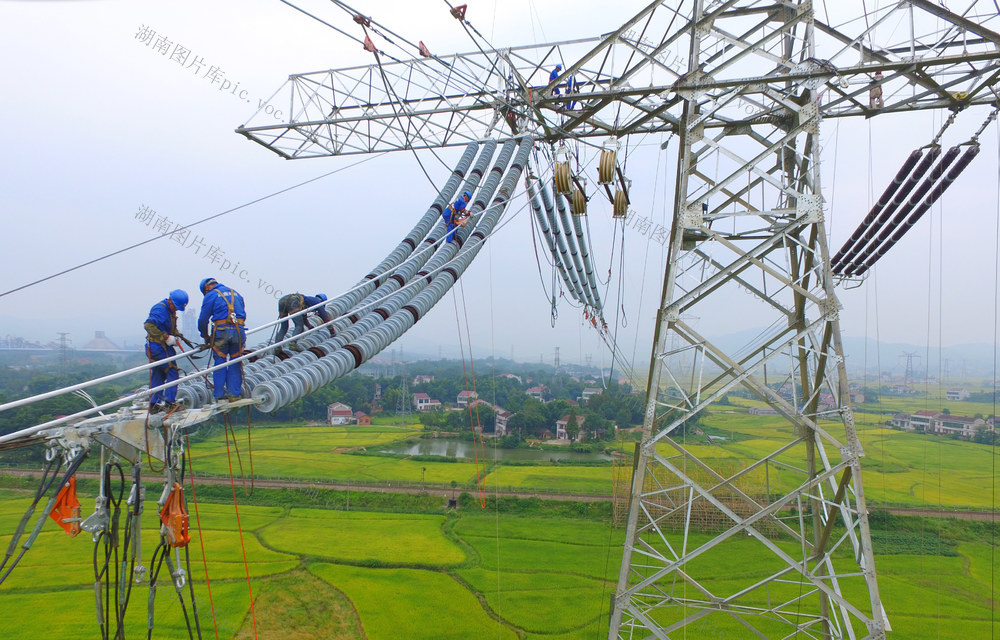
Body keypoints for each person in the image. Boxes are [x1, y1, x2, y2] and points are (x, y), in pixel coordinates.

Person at [197, 277, 247, 402]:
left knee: (220, 361)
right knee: (235, 361)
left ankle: (219, 395)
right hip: (239, 331)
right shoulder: (236, 293)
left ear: (207, 288)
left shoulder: (211, 295)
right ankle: (234, 394)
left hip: (222, 332)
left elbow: (203, 319)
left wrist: (205, 336)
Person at [144, 289, 190, 413]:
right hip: (157, 346)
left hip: (161, 346)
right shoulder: (160, 310)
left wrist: (177, 336)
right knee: (171, 371)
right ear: (170, 301)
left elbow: (170, 327)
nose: (176, 310)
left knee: (158, 374)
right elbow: (148, 326)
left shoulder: (169, 310)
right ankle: (170, 402)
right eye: (175, 307)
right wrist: (165, 337)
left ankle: (154, 404)